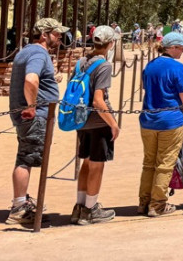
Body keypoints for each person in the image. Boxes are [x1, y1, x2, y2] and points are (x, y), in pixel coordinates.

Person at [7, 18, 66, 225]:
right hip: (35, 116)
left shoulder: (26, 51)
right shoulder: (38, 53)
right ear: (44, 34)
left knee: (25, 156)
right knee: (26, 158)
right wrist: (31, 107)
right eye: (56, 33)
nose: (59, 37)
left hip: (30, 115)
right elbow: (31, 79)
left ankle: (21, 202)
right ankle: (19, 208)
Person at [138, 32, 183, 217]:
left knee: (149, 163)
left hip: (148, 120)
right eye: (181, 47)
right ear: (172, 48)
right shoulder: (178, 68)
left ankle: (144, 201)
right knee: (165, 163)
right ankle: (158, 204)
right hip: (170, 121)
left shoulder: (150, 66)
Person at [72, 26, 121, 225]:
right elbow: (98, 101)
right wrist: (113, 124)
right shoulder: (104, 66)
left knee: (86, 162)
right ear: (110, 44)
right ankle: (91, 209)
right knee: (97, 165)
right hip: (98, 121)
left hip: (81, 121)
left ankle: (80, 206)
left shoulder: (81, 62)